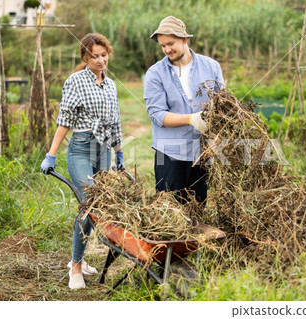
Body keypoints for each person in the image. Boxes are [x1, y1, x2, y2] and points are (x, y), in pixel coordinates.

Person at [40, 33, 124, 289]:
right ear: (85, 58)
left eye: (103, 55)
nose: (101, 60)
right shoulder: (75, 81)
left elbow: (115, 122)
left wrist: (118, 152)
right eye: (94, 56)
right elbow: (64, 120)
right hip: (81, 149)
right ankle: (75, 267)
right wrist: (51, 154)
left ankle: (82, 259)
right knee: (87, 205)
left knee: (98, 206)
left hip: (103, 151)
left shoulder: (110, 85)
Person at [144, 16, 225, 204]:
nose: (166, 50)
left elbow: (222, 104)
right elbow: (157, 114)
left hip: (202, 152)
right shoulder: (155, 74)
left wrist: (217, 136)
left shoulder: (211, 67)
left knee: (197, 209)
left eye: (170, 43)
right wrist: (191, 119)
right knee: (169, 214)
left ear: (185, 39)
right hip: (170, 154)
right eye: (162, 46)